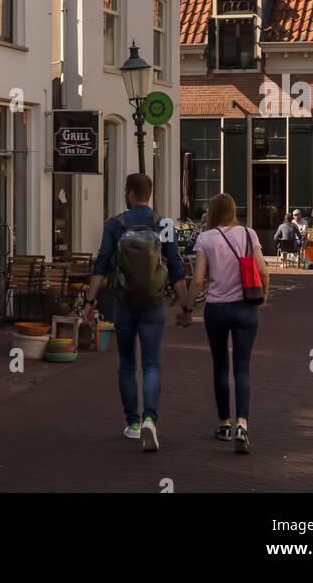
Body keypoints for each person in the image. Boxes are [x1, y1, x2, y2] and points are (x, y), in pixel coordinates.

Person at [83, 172, 190, 452]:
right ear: (149, 194)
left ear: (130, 194)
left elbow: (102, 264)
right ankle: (150, 419)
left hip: (124, 303)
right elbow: (176, 268)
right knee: (152, 363)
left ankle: (132, 423)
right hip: (154, 304)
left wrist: (89, 302)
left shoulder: (114, 225)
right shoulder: (164, 224)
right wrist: (186, 306)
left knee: (128, 363)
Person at [183, 191, 269, 454]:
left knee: (220, 365)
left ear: (212, 212)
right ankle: (242, 423)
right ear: (233, 211)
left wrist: (186, 308)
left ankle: (224, 423)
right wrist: (263, 296)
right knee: (242, 367)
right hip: (245, 308)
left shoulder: (205, 238)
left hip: (217, 310)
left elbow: (198, 280)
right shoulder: (249, 234)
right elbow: (263, 270)